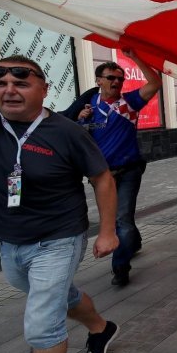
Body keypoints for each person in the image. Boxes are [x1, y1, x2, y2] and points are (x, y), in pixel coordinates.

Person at [0, 55, 120, 353]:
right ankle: (101, 328)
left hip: (59, 237)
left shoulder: (65, 131)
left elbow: (102, 177)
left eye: (21, 80)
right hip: (11, 241)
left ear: (44, 88)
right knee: (54, 295)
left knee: (40, 322)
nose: (9, 88)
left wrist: (107, 231)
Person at [62, 49, 163, 286]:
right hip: (101, 175)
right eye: (111, 78)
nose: (116, 82)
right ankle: (133, 242)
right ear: (99, 81)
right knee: (121, 219)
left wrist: (136, 56)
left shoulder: (129, 102)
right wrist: (80, 120)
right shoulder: (87, 106)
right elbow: (75, 136)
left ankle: (120, 267)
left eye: (120, 78)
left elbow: (155, 83)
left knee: (122, 220)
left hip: (129, 170)